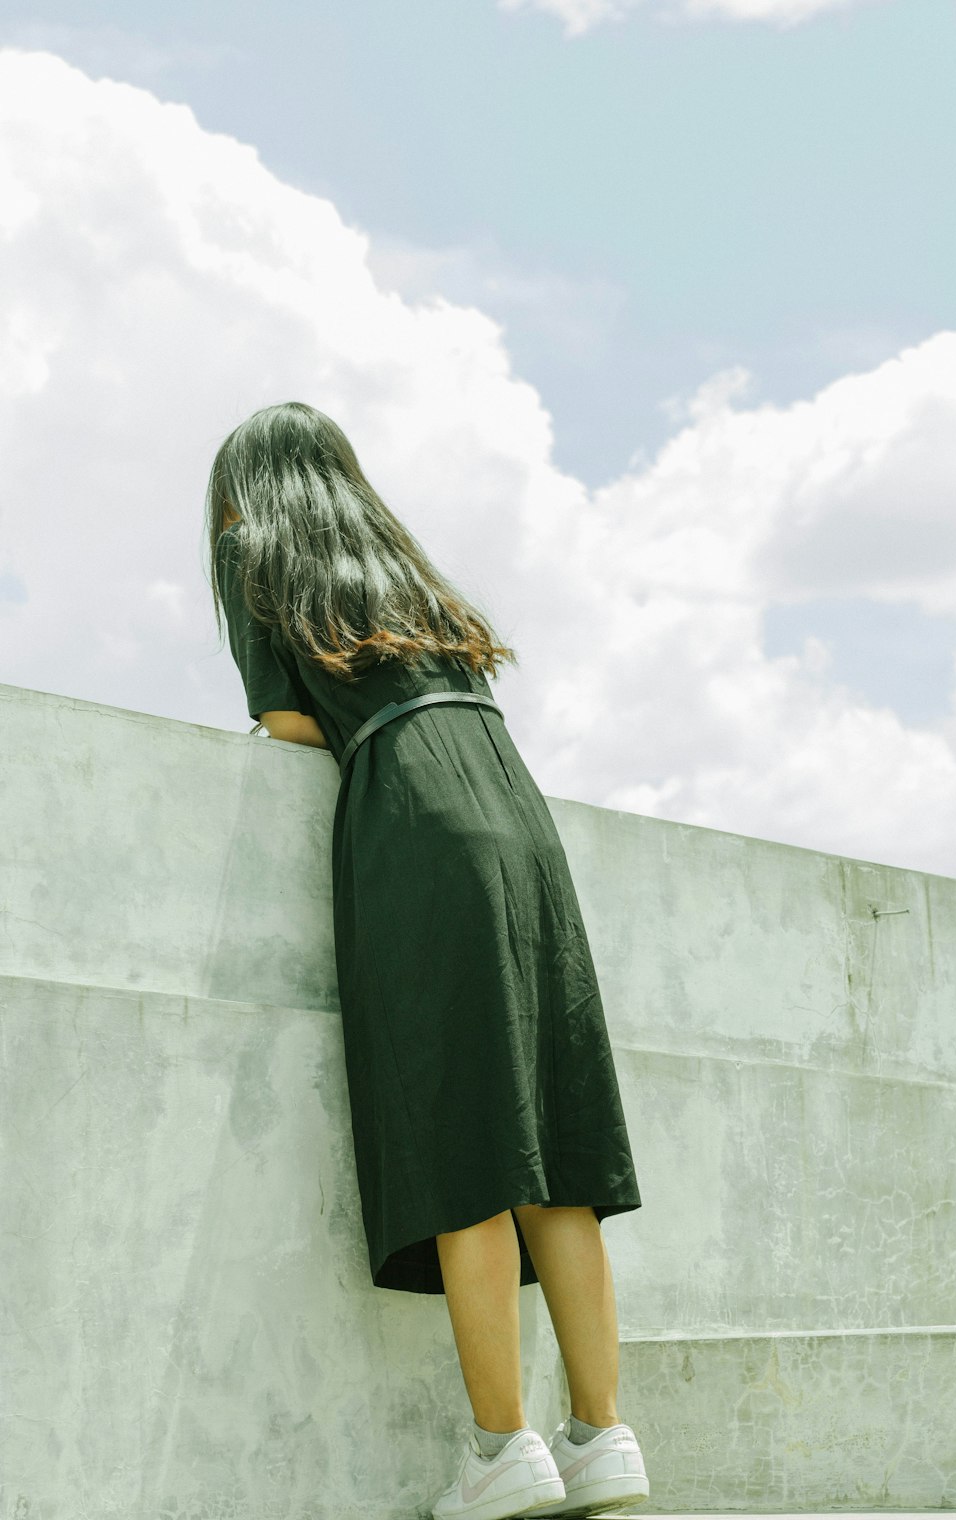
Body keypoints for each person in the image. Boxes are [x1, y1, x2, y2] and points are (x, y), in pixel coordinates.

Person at [207, 400, 649, 1520]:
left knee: (468, 1142)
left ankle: (501, 1446)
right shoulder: (400, 564)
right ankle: (602, 1434)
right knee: (555, 1147)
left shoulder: (259, 550)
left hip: (419, 816)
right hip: (512, 806)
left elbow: (289, 723)